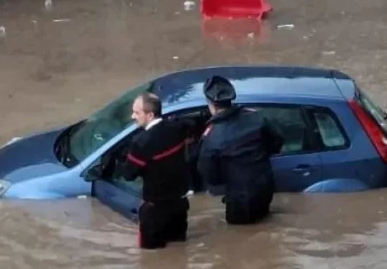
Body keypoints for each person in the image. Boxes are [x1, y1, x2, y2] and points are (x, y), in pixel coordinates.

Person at [196, 75, 283, 225]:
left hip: (240, 199)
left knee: (241, 236)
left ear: (211, 104)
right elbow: (277, 143)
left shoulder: (211, 137)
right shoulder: (256, 118)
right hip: (265, 188)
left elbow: (211, 177)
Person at [119, 92, 193, 250]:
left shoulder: (140, 143)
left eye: (137, 113)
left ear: (150, 115)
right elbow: (191, 128)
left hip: (155, 213)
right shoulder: (178, 127)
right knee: (179, 254)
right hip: (179, 208)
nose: (133, 116)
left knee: (150, 262)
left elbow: (128, 175)